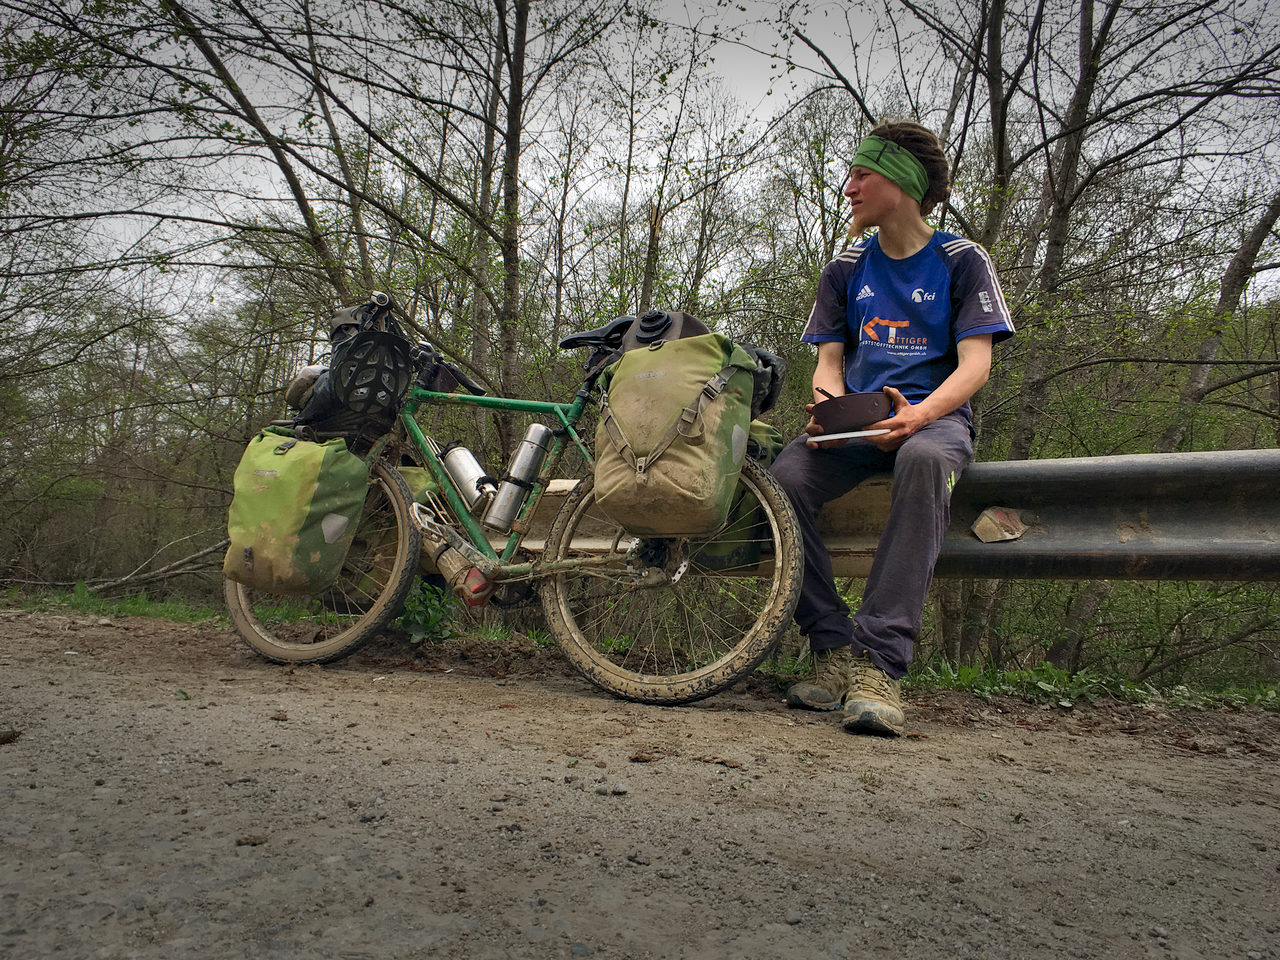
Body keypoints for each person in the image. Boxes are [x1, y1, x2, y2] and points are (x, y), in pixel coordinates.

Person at [770, 121, 1015, 737]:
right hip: (860, 424)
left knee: (925, 462)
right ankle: (830, 651)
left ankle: (878, 664)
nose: (848, 188)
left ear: (901, 185)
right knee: (785, 477)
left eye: (861, 175)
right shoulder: (846, 267)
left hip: (936, 422)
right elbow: (828, 363)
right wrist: (829, 412)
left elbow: (976, 363)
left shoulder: (961, 261)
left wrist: (919, 416)